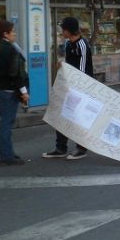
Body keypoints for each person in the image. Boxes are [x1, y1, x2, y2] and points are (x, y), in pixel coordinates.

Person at [43, 17, 93, 160]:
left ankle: (81, 148)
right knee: (61, 115)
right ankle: (60, 148)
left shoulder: (82, 45)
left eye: (63, 29)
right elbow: (71, 65)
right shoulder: (68, 44)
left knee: (78, 118)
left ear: (68, 30)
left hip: (81, 89)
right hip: (69, 86)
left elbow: (82, 71)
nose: (61, 32)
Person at [0, 20, 28, 166]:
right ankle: (6, 156)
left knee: (6, 121)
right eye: (13, 31)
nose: (15, 34)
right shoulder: (9, 50)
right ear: (5, 34)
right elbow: (15, 73)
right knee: (7, 123)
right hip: (8, 90)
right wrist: (23, 92)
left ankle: (8, 152)